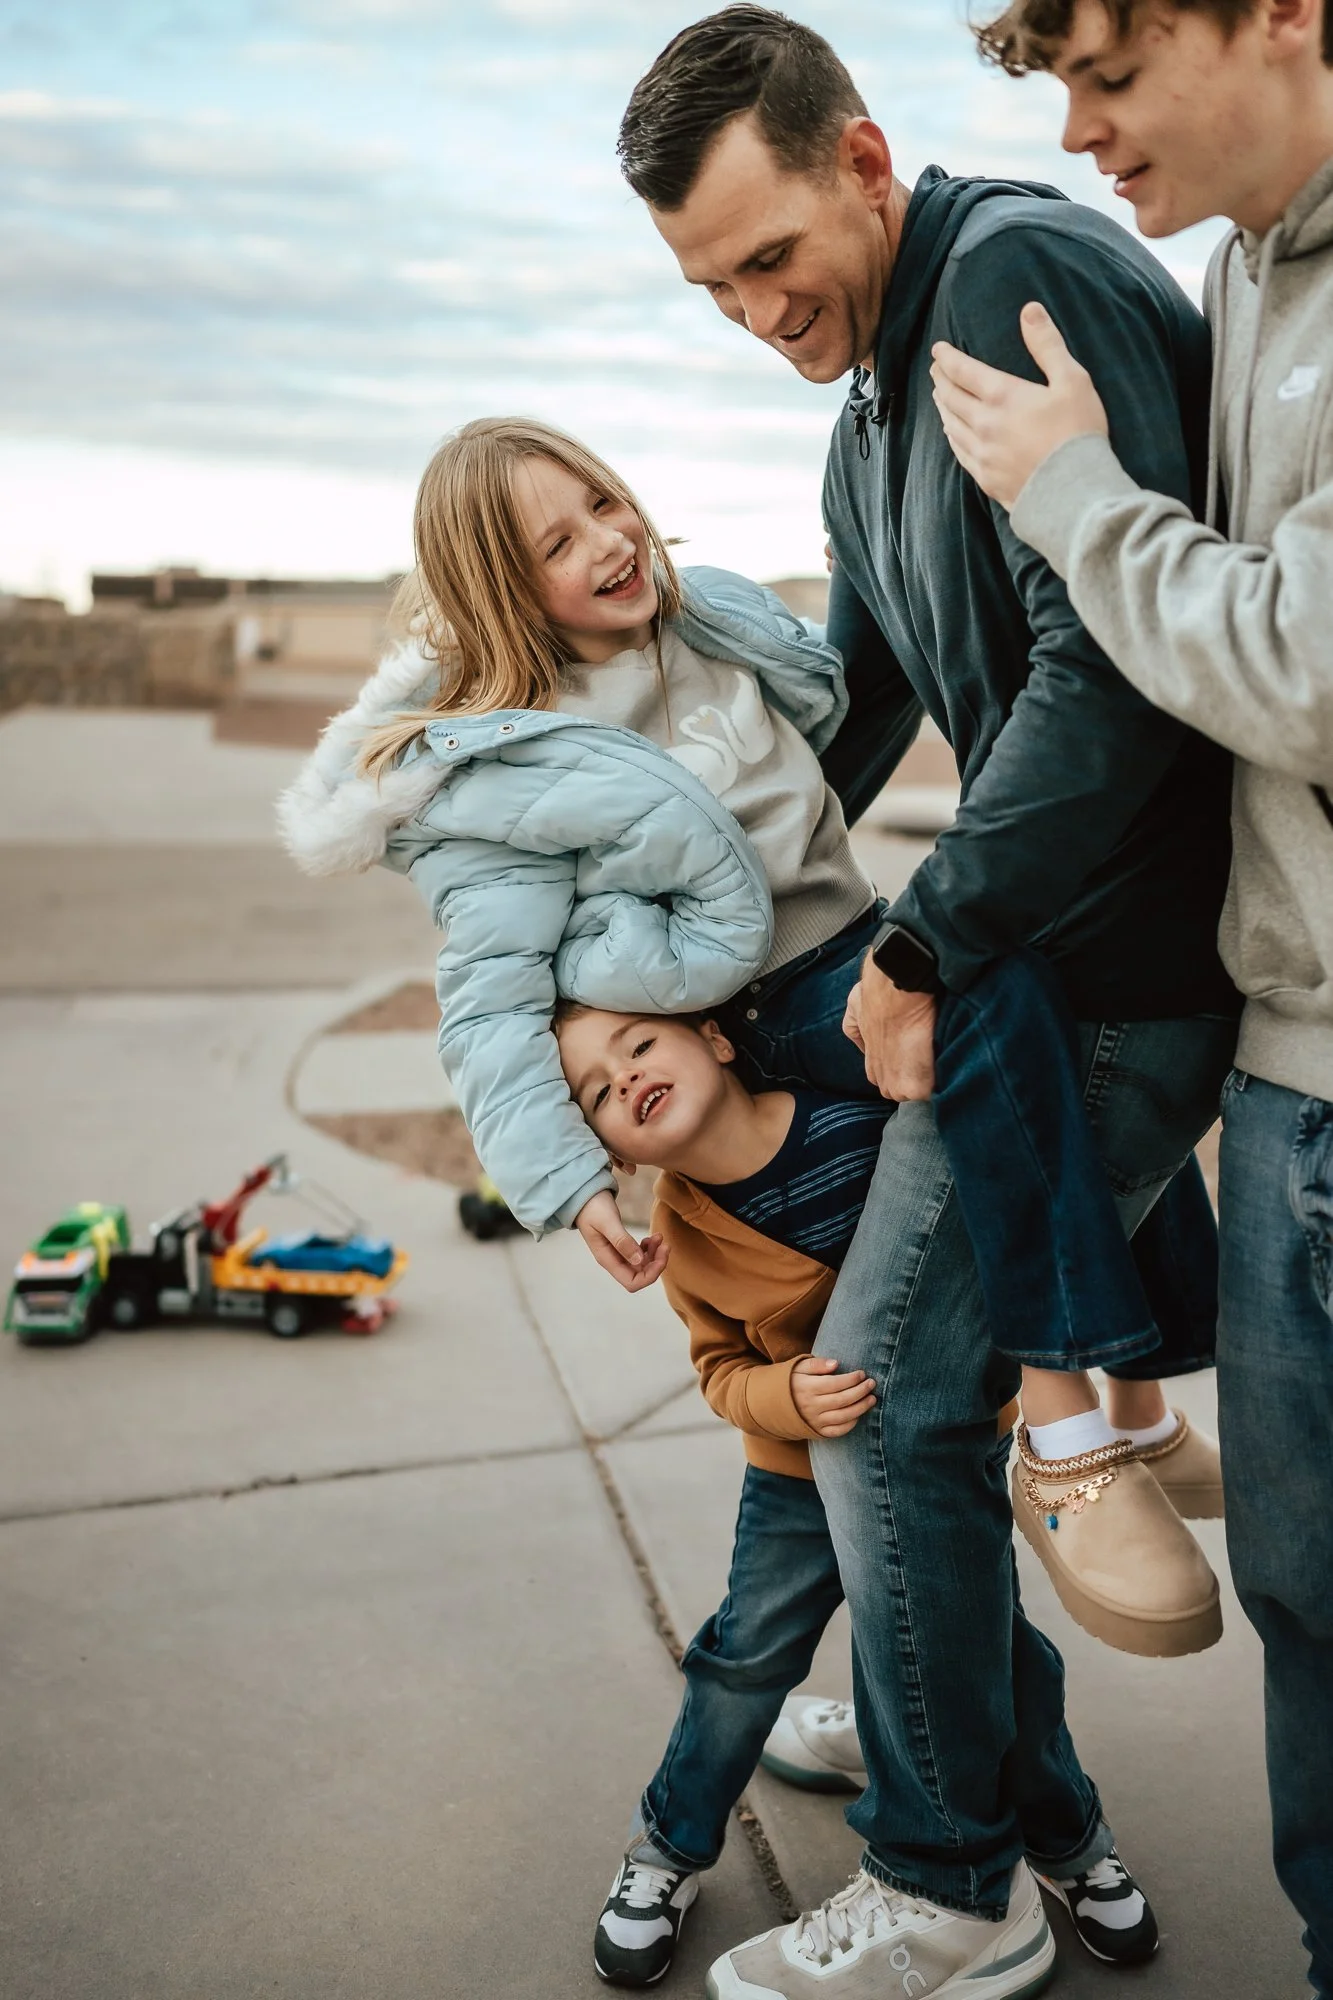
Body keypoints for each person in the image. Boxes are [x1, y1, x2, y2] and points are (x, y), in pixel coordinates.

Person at [616, 9, 1242, 1992]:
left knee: (883, 1406)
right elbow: (861, 701)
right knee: (888, 1388)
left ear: (863, 161)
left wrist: (919, 941)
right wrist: (661, 878)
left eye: (768, 256)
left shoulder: (1015, 277)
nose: (749, 308)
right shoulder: (862, 406)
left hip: (1123, 986)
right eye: (709, 288)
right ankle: (921, 1676)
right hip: (1034, 973)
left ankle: (953, 1878)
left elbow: (1115, 668)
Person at [279, 412, 1221, 1656]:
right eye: (558, 545)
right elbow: (489, 993)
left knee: (1071, 1012)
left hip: (863, 940)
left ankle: (1142, 1400)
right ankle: (1060, 1428)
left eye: (604, 505)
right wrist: (565, 1180)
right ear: (507, 593)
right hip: (771, 1010)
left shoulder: (706, 622)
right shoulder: (511, 766)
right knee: (997, 1031)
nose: (609, 544)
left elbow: (832, 740)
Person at [926, 2, 1333, 1990]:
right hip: (1288, 1064)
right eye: (1054, 94)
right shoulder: (1251, 274)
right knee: (1306, 1603)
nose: (1080, 132)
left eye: (1108, 71)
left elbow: (1309, 667)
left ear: (1287, 13)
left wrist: (1073, 494)